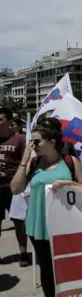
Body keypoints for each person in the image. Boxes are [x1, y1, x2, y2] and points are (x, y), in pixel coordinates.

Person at [10, 118, 82, 297]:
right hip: (38, 225)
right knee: (46, 267)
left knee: (72, 263)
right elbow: (15, 189)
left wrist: (68, 183)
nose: (32, 146)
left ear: (52, 142)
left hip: (65, 224)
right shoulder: (34, 164)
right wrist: (24, 160)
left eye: (35, 142)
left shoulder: (70, 162)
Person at [0, 108, 30, 266]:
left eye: (0, 120)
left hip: (14, 188)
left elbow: (25, 162)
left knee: (19, 222)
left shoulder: (19, 139)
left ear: (9, 122)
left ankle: (23, 252)